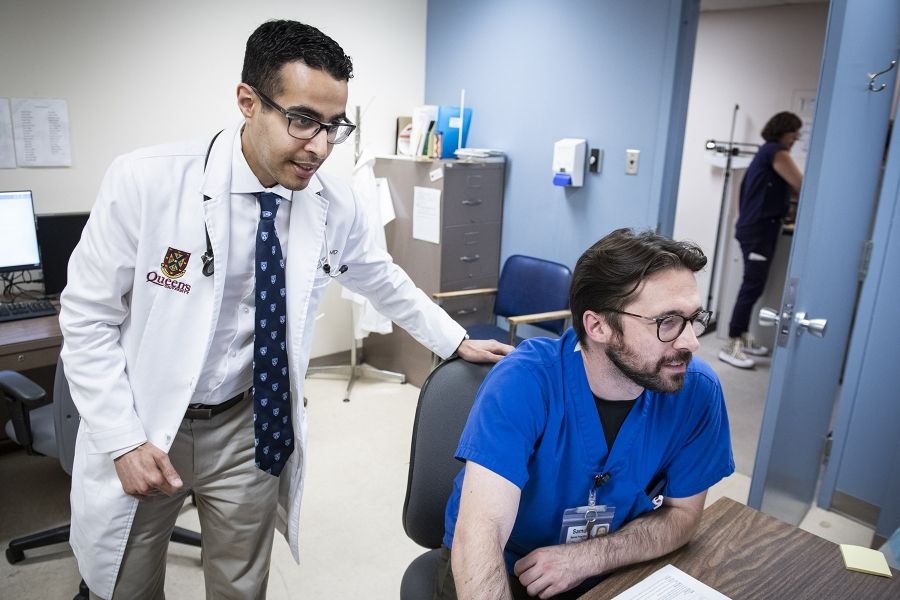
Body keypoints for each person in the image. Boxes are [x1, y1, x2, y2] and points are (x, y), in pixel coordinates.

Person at [58, 20, 511, 600]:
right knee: (124, 585)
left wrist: (452, 339)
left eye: (334, 126)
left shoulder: (331, 202)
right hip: (147, 422)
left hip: (250, 425)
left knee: (242, 587)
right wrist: (122, 439)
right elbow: (87, 318)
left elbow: (380, 276)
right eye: (302, 120)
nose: (320, 147)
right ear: (248, 102)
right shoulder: (147, 181)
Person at [437, 228, 734, 600]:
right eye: (667, 322)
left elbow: (682, 515)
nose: (691, 342)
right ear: (598, 326)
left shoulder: (697, 390)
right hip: (503, 564)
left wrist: (585, 559)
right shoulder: (525, 382)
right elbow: (482, 532)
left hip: (611, 560)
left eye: (694, 319)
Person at [719, 111, 803, 369]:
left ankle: (742, 336)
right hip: (758, 231)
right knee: (752, 285)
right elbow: (801, 184)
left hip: (760, 229)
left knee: (755, 285)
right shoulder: (775, 151)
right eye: (794, 132)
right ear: (783, 131)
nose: (796, 138)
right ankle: (731, 342)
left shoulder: (765, 152)